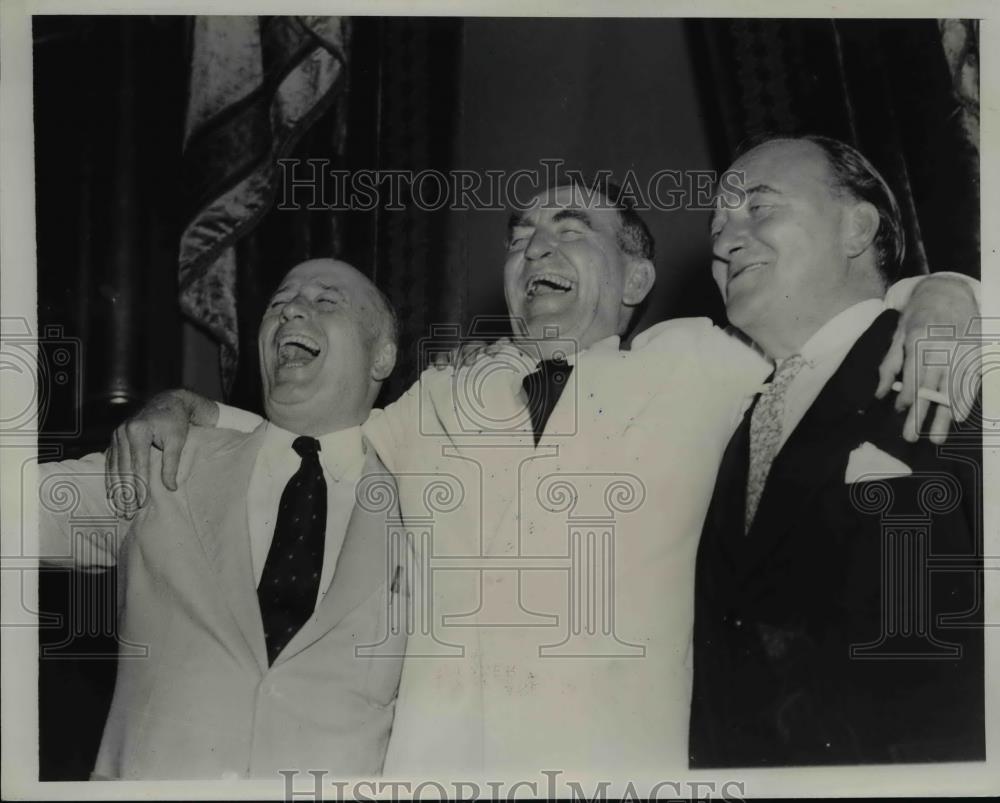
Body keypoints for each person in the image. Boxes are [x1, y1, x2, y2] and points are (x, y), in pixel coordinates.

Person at [108, 177, 979, 783]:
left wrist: (941, 289)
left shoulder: (703, 362)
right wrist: (191, 406)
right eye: (521, 235)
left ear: (636, 276)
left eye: (569, 228)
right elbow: (309, 448)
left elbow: (831, 326)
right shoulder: (440, 395)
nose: (535, 246)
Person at [36, 259, 408, 780]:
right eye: (278, 303)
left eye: (326, 300)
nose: (291, 310)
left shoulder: (420, 509)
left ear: (382, 357)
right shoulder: (168, 456)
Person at [688, 135, 984, 767]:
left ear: (857, 228)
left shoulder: (954, 353)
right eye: (717, 226)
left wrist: (953, 290)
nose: (725, 240)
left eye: (759, 207)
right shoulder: (725, 419)